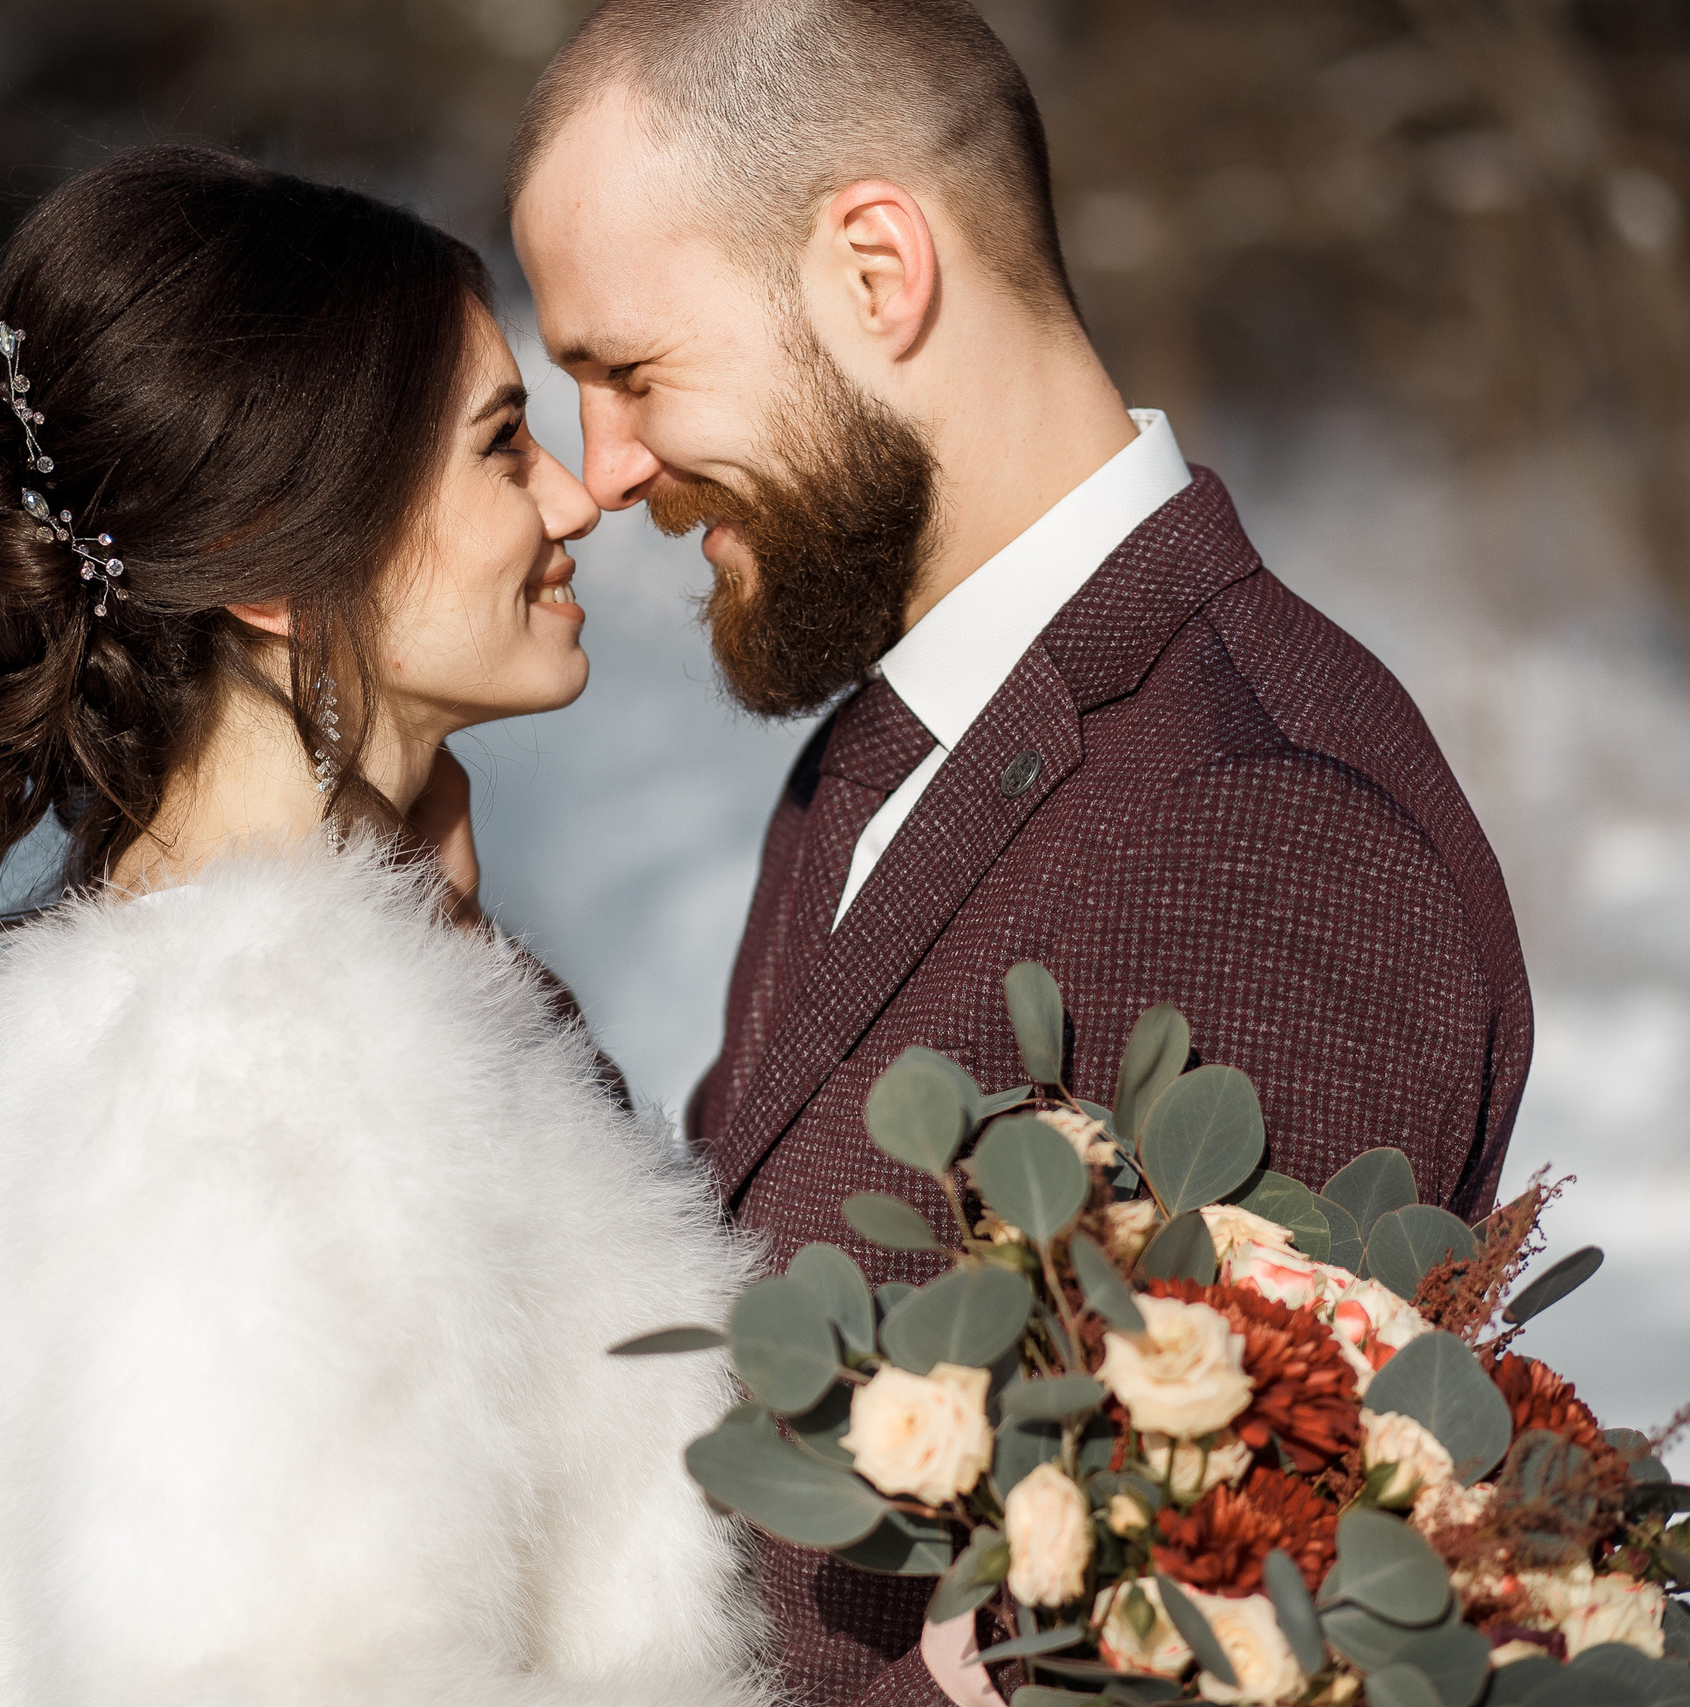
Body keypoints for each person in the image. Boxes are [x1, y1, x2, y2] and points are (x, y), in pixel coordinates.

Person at [507, 3, 1534, 1704]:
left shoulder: (1269, 824)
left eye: (630, 370)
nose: (605, 472)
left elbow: (1174, 1636)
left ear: (874, 268)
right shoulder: (885, 749)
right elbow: (741, 1338)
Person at [0, 146, 768, 1707]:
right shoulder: (258, 1074)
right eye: (504, 445)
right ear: (272, 556)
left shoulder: (260, 1008)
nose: (584, 494)